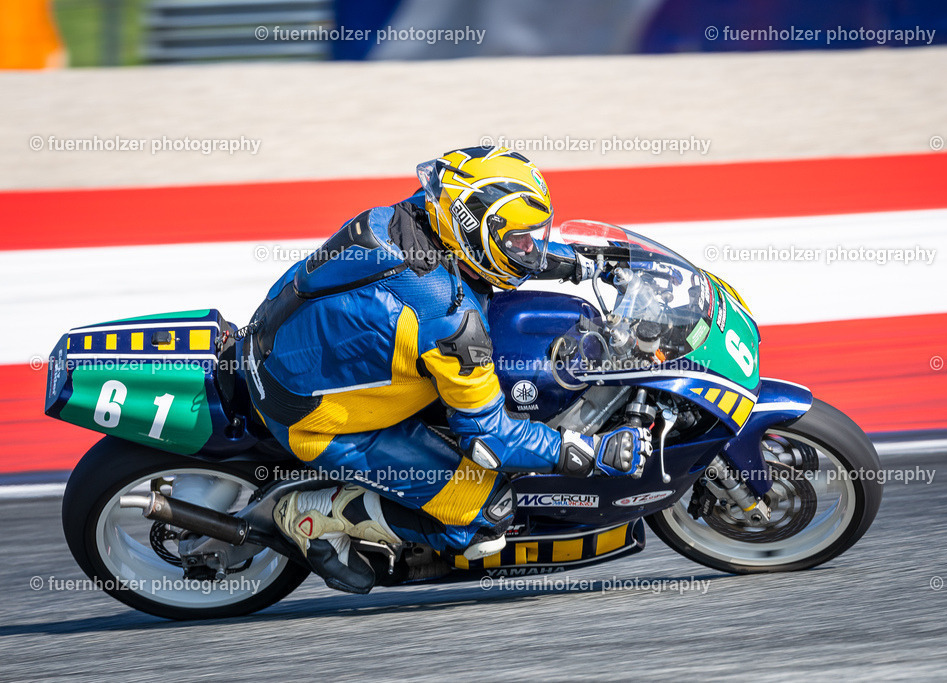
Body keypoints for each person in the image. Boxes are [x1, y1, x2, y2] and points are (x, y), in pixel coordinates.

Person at [243, 146, 651, 593]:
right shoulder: (450, 320)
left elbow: (496, 251)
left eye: (532, 235)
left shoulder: (414, 214)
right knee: (487, 517)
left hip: (276, 337)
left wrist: (581, 263)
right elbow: (490, 439)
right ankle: (314, 516)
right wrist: (588, 453)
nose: (528, 249)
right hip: (310, 417)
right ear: (471, 226)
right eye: (517, 239)